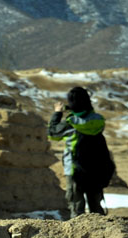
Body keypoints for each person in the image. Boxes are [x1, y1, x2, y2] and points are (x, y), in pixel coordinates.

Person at [48, 87, 113, 217]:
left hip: (74, 170)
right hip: (96, 169)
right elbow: (86, 115)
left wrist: (58, 113)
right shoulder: (98, 120)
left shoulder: (70, 124)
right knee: (96, 207)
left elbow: (53, 134)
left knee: (77, 207)